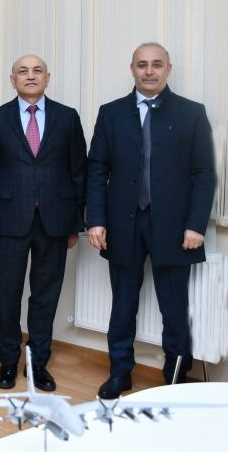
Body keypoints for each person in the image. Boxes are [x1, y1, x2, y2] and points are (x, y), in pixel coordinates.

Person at [86, 42, 215, 398]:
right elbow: (96, 169)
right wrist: (95, 219)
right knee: (122, 305)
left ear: (168, 69)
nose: (149, 71)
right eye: (142, 64)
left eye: (157, 64)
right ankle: (119, 374)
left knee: (174, 308)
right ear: (132, 69)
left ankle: (175, 378)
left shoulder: (192, 113)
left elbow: (204, 174)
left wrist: (196, 224)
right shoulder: (111, 113)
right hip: (122, 225)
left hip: (174, 228)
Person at [0, 54, 86, 392]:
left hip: (55, 222)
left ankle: (37, 363)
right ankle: (8, 362)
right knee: (8, 295)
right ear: (12, 80)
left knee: (45, 296)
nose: (30, 76)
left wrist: (75, 224)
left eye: (37, 71)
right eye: (22, 72)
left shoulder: (68, 118)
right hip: (8, 221)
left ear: (47, 78)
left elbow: (78, 172)